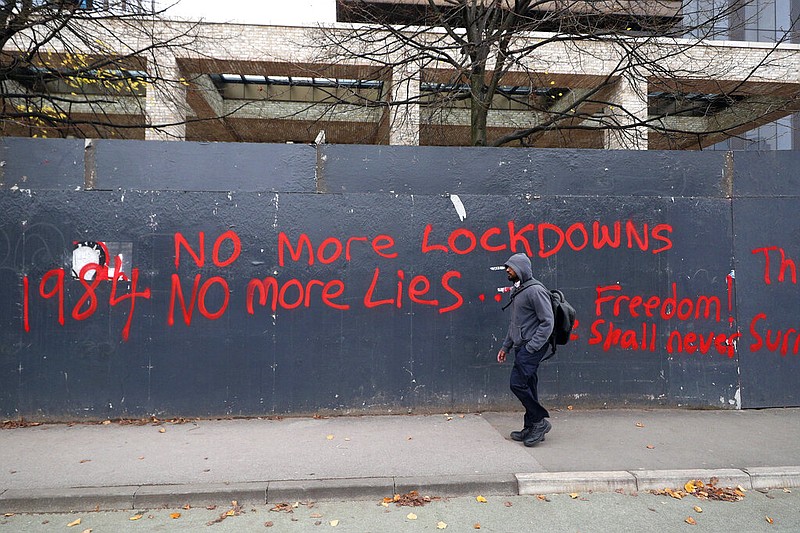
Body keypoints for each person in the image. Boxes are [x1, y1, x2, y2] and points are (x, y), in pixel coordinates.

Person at [497, 252, 554, 447]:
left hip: (531, 347)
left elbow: (548, 322)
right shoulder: (519, 290)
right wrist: (506, 346)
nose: (508, 270)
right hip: (522, 345)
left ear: (520, 269)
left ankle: (539, 422)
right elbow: (514, 324)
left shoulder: (535, 291)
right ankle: (531, 426)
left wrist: (531, 347)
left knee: (517, 384)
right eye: (507, 267)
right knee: (529, 385)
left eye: (511, 267)